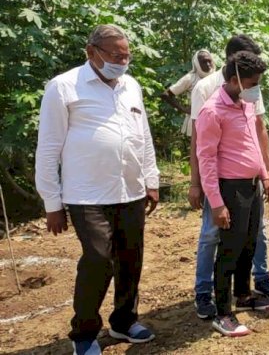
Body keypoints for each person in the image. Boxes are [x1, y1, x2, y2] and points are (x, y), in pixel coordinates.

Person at [35, 24, 160, 354]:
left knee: (131, 258)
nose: (122, 61)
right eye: (115, 55)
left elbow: (142, 135)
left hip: (130, 191)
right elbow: (48, 147)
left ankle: (124, 322)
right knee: (98, 259)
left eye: (127, 55)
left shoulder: (131, 86)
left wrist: (151, 180)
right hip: (86, 195)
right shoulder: (63, 87)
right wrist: (52, 202)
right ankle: (85, 334)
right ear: (91, 52)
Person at [189, 35, 269, 320]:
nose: (257, 90)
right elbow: (205, 159)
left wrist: (264, 173)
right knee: (228, 249)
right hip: (230, 188)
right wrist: (216, 203)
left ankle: (243, 295)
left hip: (251, 186)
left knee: (248, 243)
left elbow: (253, 139)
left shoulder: (245, 103)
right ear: (234, 80)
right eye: (253, 84)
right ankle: (222, 312)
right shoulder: (212, 110)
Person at [160, 49, 215, 136]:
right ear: (197, 64)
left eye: (209, 61)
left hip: (215, 120)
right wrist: (184, 109)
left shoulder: (217, 77)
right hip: (197, 120)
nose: (208, 64)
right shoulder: (191, 78)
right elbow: (166, 94)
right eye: (204, 62)